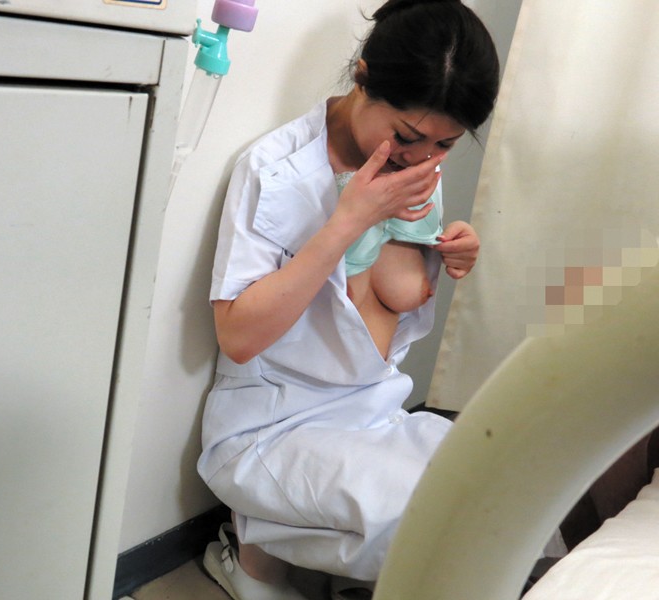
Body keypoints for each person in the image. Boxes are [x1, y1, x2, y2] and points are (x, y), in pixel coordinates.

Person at [197, 1, 500, 598]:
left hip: (376, 412)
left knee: (507, 488)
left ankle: (313, 558)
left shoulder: (416, 173)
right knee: (433, 523)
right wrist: (346, 222)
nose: (423, 158)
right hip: (274, 426)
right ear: (363, 77)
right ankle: (255, 549)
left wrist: (453, 250)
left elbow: (390, 294)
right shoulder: (274, 169)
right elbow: (238, 337)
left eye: (445, 144)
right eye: (408, 136)